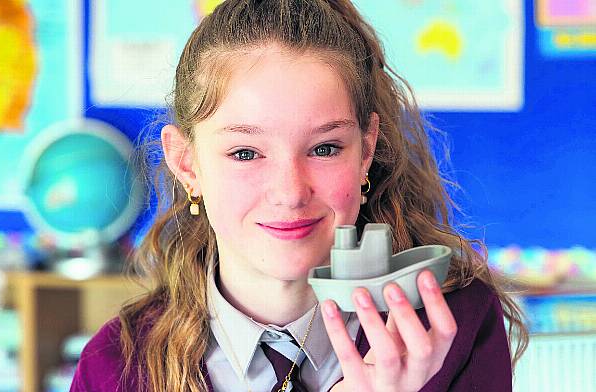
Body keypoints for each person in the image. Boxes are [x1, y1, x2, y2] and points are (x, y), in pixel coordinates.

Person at [71, 0, 528, 391]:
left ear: (366, 150)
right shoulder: (113, 369)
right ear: (188, 164)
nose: (290, 192)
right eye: (246, 152)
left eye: (325, 148)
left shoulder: (454, 327)